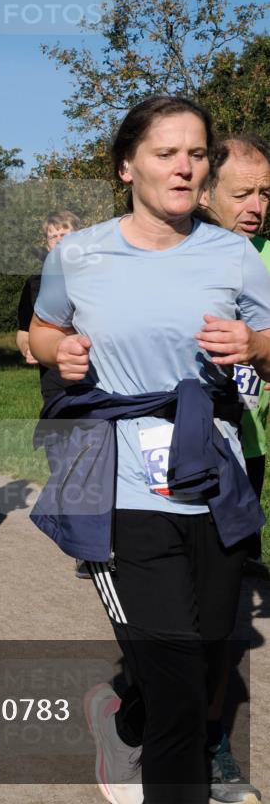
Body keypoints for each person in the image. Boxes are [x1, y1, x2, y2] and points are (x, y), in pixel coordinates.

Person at [28, 96, 270, 804]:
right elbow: (42, 331)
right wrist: (60, 352)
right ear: (126, 166)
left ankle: (117, 717)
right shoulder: (79, 253)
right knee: (178, 698)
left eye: (196, 152)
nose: (185, 166)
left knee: (201, 673)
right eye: (166, 152)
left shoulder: (233, 254)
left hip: (213, 481)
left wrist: (253, 345)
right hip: (116, 485)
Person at [197, 132, 270, 804]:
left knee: (220, 615)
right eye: (242, 193)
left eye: (265, 193)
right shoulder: (171, 250)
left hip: (246, 455)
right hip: (165, 456)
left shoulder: (266, 258)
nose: (256, 206)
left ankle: (214, 744)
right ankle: (142, 715)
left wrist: (255, 344)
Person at [16, 210, 87, 578]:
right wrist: (27, 345)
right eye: (53, 237)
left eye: (66, 235)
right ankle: (80, 535)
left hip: (95, 381)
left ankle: (88, 540)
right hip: (56, 384)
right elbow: (23, 330)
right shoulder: (34, 283)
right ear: (46, 244)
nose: (59, 242)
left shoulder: (96, 276)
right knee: (63, 458)